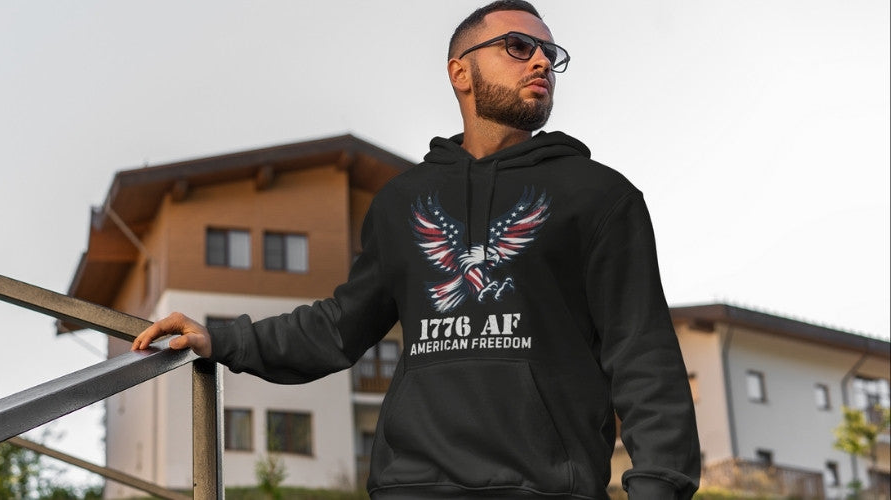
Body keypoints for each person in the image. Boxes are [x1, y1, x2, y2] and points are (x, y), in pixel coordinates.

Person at [133, 1, 701, 498]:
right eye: (519, 46)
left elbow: (643, 355)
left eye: (552, 54)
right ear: (461, 72)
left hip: (547, 486)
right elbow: (339, 328)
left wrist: (657, 485)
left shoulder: (600, 196)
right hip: (412, 486)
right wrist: (223, 339)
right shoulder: (402, 202)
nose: (541, 63)